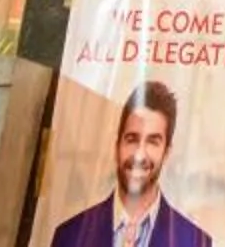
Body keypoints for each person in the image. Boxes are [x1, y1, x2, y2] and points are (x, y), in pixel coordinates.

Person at [51, 82, 210, 247]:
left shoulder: (195, 242)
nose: (139, 154)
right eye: (132, 139)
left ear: (166, 152)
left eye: (152, 142)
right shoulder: (69, 236)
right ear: (117, 146)